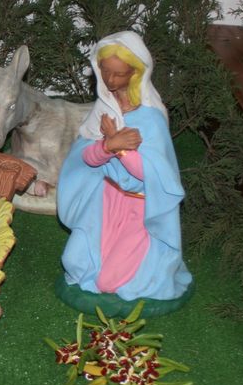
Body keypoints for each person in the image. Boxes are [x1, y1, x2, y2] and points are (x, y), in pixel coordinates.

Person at [57, 31, 192, 302]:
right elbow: (85, 158)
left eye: (118, 74)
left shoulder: (150, 118)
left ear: (135, 73)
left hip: (137, 211)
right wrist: (108, 145)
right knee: (75, 262)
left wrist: (119, 149)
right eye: (105, 71)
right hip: (104, 203)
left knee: (108, 281)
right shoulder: (103, 109)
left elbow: (149, 173)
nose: (110, 80)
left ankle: (148, 265)